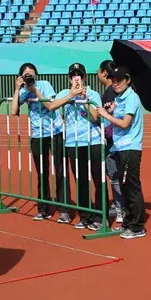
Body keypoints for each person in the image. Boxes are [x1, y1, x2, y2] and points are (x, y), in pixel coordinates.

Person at [44, 63, 104, 230]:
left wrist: (84, 99)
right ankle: (86, 216)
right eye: (73, 75)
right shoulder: (65, 93)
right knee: (81, 181)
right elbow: (52, 106)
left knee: (98, 180)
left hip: (93, 141)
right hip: (73, 143)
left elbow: (95, 117)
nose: (76, 78)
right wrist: (71, 95)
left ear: (84, 77)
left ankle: (101, 216)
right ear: (69, 78)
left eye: (79, 75)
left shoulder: (93, 94)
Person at [11, 62, 70, 223]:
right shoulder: (23, 91)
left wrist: (35, 90)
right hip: (38, 134)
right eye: (26, 75)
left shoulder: (44, 85)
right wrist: (17, 89)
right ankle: (43, 209)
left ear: (36, 75)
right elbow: (13, 111)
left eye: (31, 74)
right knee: (42, 172)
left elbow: (50, 106)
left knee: (60, 170)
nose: (29, 77)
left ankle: (64, 209)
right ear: (21, 77)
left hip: (55, 131)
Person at [96, 66, 146, 239]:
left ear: (128, 80)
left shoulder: (131, 97)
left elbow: (125, 123)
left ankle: (137, 226)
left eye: (119, 80)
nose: (115, 83)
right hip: (120, 147)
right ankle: (128, 223)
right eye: (113, 80)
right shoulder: (120, 98)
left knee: (131, 187)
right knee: (124, 187)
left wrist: (106, 115)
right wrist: (111, 111)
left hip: (130, 147)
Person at [98, 60, 124, 223]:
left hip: (113, 141)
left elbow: (110, 119)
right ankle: (119, 204)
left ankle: (121, 207)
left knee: (115, 176)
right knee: (116, 176)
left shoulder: (110, 93)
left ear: (104, 73)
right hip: (116, 140)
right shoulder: (114, 92)